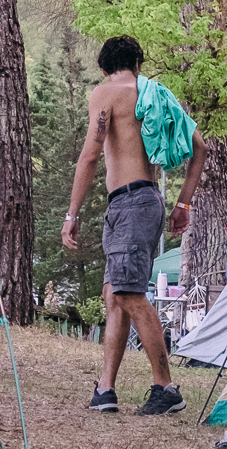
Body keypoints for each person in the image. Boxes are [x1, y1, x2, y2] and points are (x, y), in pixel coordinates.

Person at [62, 34, 208, 415]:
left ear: (103, 68)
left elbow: (90, 156)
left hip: (130, 203)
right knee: (114, 295)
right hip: (142, 202)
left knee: (128, 294)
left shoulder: (106, 93)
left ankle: (166, 387)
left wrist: (71, 214)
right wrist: (183, 204)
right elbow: (200, 146)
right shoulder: (155, 95)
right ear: (138, 64)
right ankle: (105, 390)